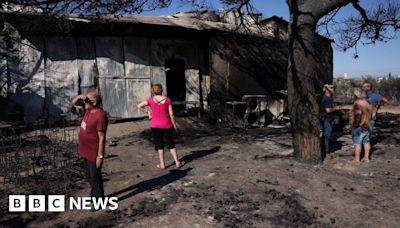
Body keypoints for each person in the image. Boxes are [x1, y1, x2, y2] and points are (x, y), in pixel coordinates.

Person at [71, 91, 108, 198]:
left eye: (87, 100)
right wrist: (80, 96)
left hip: (93, 152)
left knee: (95, 177)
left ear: (94, 102)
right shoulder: (88, 110)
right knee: (88, 176)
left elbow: (102, 137)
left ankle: (98, 199)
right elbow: (73, 103)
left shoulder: (100, 116)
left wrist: (100, 156)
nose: (84, 102)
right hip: (85, 150)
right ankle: (95, 194)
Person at [137, 84, 181, 169]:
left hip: (155, 126)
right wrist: (174, 125)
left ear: (153, 91)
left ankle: (162, 164)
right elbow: (171, 114)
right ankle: (177, 162)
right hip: (167, 125)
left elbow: (139, 106)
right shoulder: (167, 100)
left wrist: (148, 112)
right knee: (170, 144)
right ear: (161, 90)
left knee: (159, 145)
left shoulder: (150, 100)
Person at [349, 89, 374, 163]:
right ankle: (366, 158)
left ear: (356, 95)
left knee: (357, 143)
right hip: (367, 125)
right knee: (366, 141)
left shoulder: (357, 103)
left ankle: (356, 159)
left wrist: (356, 124)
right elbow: (373, 113)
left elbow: (358, 114)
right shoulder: (368, 103)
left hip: (359, 125)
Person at [320, 84, 342, 159]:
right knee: (327, 136)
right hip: (327, 119)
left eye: (333, 87)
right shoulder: (327, 99)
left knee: (326, 135)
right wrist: (336, 108)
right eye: (331, 88)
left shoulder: (328, 98)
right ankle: (326, 152)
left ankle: (325, 151)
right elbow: (328, 110)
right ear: (326, 89)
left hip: (327, 119)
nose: (333, 89)